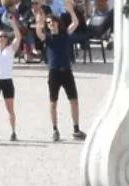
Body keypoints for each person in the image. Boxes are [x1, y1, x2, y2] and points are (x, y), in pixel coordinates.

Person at [42, 9, 83, 140]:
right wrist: (39, 20)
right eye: (48, 23)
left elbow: (75, 22)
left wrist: (71, 9)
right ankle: (55, 130)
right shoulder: (48, 38)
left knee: (74, 101)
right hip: (54, 73)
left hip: (66, 71)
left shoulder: (65, 34)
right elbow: (39, 33)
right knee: (53, 103)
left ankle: (76, 129)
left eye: (52, 21)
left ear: (57, 22)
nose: (51, 24)